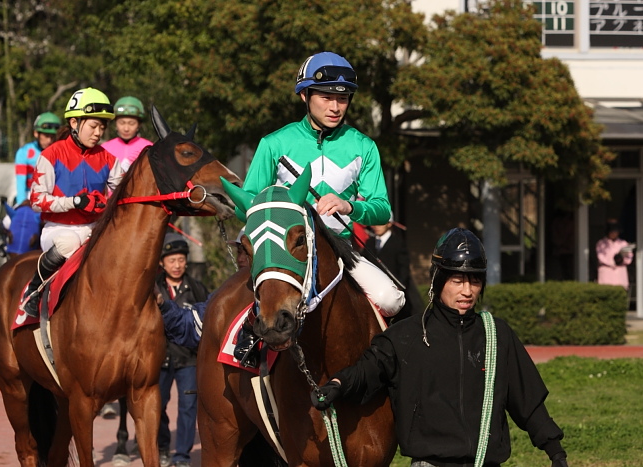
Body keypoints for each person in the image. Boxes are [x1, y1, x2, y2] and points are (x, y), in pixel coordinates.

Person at [311, 228, 569, 467]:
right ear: (438, 279)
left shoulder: (497, 335)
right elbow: (367, 371)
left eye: (475, 281)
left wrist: (555, 451)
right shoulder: (406, 336)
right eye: (457, 281)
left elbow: (528, 402)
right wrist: (337, 385)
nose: (467, 291)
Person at [238, 51, 405, 366]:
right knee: (237, 302)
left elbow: (382, 209)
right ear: (304, 95)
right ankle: (240, 354)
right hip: (284, 251)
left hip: (341, 249)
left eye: (343, 99)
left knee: (391, 299)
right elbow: (248, 203)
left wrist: (349, 206)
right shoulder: (273, 144)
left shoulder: (363, 146)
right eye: (326, 97)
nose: (335, 107)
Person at [21, 87, 123, 317]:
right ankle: (33, 291)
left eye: (102, 127)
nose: (99, 133)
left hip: (93, 229)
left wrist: (106, 205)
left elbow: (121, 193)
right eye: (93, 126)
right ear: (75, 123)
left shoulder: (108, 158)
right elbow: (36, 200)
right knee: (69, 243)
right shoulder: (51, 155)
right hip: (58, 229)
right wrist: (74, 201)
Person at [155, 234, 209, 467]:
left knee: (188, 407)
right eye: (171, 260)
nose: (176, 265)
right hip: (159, 358)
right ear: (162, 263)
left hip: (188, 359)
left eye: (180, 260)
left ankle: (182, 456)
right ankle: (163, 446)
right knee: (157, 405)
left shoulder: (197, 288)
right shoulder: (153, 289)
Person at [362, 214, 422, 323]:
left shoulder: (398, 243)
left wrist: (398, 289)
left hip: (393, 294)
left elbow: (404, 269)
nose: (376, 226)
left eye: (381, 222)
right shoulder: (369, 243)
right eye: (375, 222)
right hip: (372, 293)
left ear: (389, 224)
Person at [15, 112, 62, 205]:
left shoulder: (61, 153)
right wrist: (22, 204)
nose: (49, 140)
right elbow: (20, 183)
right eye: (46, 135)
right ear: (36, 133)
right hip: (28, 196)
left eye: (53, 136)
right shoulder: (23, 152)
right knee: (9, 220)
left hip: (54, 198)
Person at [101, 96, 153, 171]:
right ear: (115, 123)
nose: (126, 129)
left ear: (139, 125)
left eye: (131, 123)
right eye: (121, 123)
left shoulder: (149, 148)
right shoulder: (104, 149)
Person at [596, 219, 634, 290]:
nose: (614, 234)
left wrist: (622, 260)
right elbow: (600, 257)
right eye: (612, 231)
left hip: (620, 273)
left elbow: (629, 257)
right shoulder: (601, 244)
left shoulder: (623, 243)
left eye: (616, 232)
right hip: (606, 273)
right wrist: (613, 262)